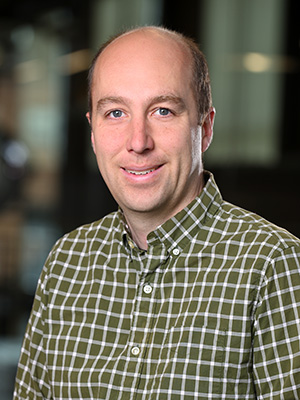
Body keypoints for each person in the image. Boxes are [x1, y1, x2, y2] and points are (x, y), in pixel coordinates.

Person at [14, 26, 300, 399]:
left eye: (163, 111)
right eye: (116, 113)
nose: (138, 142)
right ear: (93, 133)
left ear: (205, 127)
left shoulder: (273, 265)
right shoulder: (67, 261)